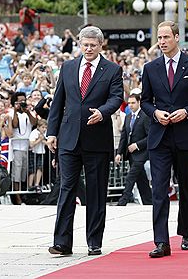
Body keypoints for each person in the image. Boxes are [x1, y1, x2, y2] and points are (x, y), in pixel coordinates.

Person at [46, 26, 123, 256]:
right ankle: (62, 242)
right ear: (79, 44)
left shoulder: (112, 70)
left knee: (97, 192)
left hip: (96, 138)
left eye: (93, 45)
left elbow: (117, 97)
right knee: (66, 190)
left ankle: (94, 242)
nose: (88, 49)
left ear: (101, 45)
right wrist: (52, 132)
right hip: (68, 139)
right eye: (85, 44)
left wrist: (103, 111)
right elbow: (57, 102)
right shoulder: (68, 67)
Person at [141, 21, 188, 258]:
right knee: (159, 190)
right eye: (159, 38)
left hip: (185, 134)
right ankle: (161, 241)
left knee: (186, 187)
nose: (161, 42)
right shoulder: (150, 68)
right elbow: (144, 101)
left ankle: (186, 233)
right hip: (159, 136)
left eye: (165, 37)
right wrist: (155, 113)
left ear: (176, 37)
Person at [115, 93, 152, 206]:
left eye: (133, 103)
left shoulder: (145, 116)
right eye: (129, 103)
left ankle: (123, 201)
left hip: (141, 154)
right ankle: (149, 202)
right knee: (141, 180)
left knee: (130, 177)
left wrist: (137, 145)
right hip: (131, 155)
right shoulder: (128, 117)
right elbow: (124, 137)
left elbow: (150, 136)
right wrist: (119, 153)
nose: (130, 105)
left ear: (139, 102)